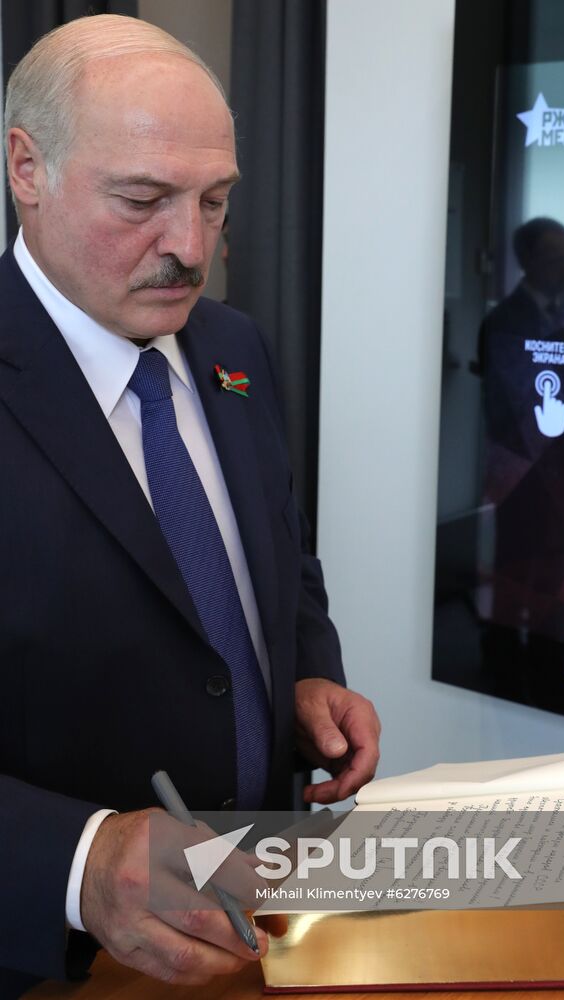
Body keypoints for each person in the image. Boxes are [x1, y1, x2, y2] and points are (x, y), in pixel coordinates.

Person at [0, 14, 380, 997]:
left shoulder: (234, 348)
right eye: (143, 199)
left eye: (215, 201)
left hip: (260, 923)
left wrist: (303, 679)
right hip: (62, 965)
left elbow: (281, 565)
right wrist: (78, 860)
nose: (190, 246)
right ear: (25, 168)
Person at [479, 218, 564, 714]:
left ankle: (552, 684)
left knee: (558, 579)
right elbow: (513, 405)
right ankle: (507, 682)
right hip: (520, 476)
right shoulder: (504, 321)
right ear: (528, 260)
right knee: (514, 576)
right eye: (557, 256)